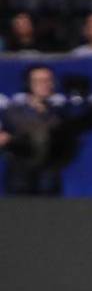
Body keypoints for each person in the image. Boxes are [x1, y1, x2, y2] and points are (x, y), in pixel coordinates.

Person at [0, 65, 70, 195]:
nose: (45, 85)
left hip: (49, 179)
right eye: (39, 81)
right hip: (20, 179)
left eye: (48, 80)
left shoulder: (60, 113)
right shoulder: (13, 112)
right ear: (28, 84)